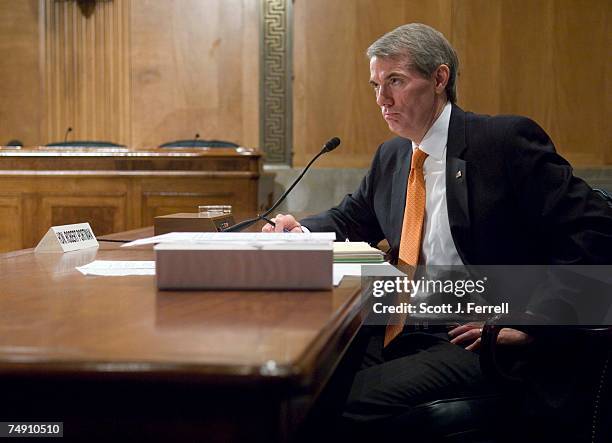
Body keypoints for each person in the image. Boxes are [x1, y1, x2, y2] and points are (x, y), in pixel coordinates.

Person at [263, 23, 612, 438]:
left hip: (474, 334)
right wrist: (296, 229)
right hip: (401, 326)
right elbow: (349, 219)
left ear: (439, 79)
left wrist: (537, 320)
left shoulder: (502, 142)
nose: (381, 99)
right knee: (296, 390)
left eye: (395, 81)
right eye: (376, 84)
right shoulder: (392, 155)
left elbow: (595, 228)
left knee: (337, 406)